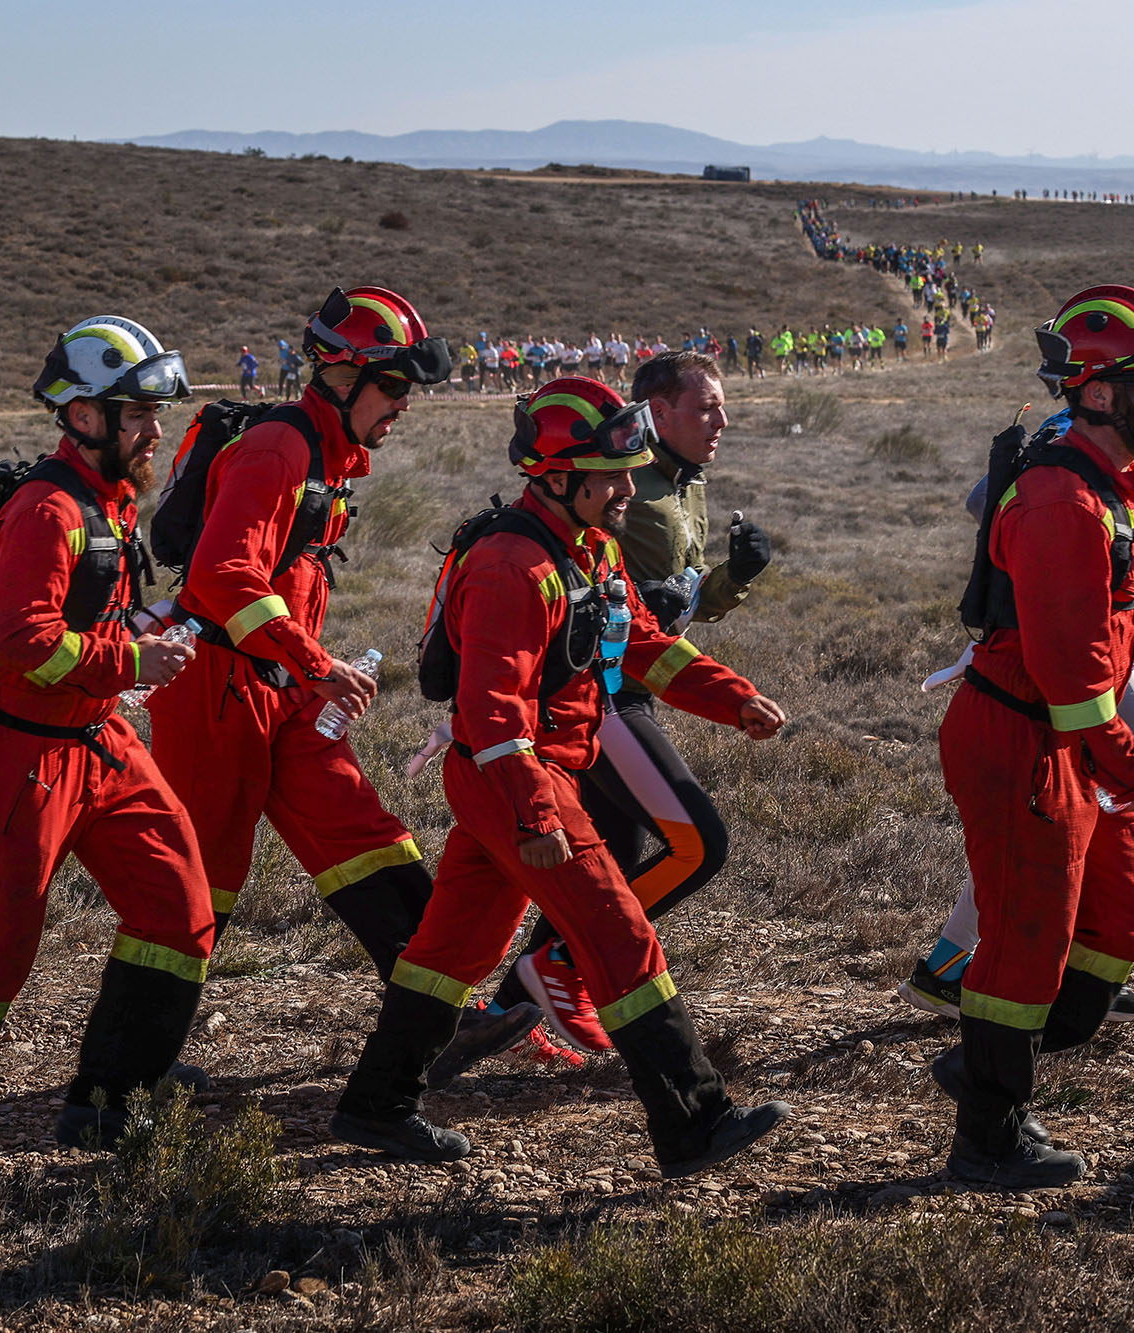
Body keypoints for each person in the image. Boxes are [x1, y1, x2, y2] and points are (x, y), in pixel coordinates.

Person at [329, 376, 791, 1175]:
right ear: (555, 477)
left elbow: (641, 643)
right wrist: (536, 814)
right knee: (619, 932)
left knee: (452, 948)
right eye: (610, 477)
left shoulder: (589, 547)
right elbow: (494, 709)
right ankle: (694, 1119)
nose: (625, 489)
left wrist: (734, 697)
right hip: (520, 781)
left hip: (525, 780)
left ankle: (376, 1103)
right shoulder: (514, 565)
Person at [146, 286, 536, 1078]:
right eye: (393, 387)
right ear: (340, 374)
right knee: (203, 877)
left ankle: (441, 1016)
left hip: (282, 687)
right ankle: (135, 1063)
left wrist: (306, 670)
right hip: (221, 688)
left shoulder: (327, 452)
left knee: (367, 837)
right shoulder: (280, 450)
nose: (403, 406)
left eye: (408, 392)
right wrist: (317, 664)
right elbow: (222, 576)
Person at [0, 315, 218, 1173]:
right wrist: (132, 657)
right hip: (24, 753)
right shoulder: (47, 507)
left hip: (99, 741)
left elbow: (85, 620)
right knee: (0, 941)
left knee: (180, 907)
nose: (155, 429)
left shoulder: (110, 500)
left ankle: (108, 1105)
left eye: (154, 413)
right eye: (137, 413)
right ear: (85, 415)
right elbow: (17, 638)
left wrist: (137, 642)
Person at [901, 295, 1134, 1026]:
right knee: (1100, 824)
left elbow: (1132, 541)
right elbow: (1019, 514)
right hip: (1050, 679)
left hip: (1102, 660)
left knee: (1105, 849)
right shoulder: (1069, 461)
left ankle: (1035, 988)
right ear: (1103, 388)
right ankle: (971, 978)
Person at [928, 286, 1134, 1189]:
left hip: (1074, 739)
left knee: (1121, 909)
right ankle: (988, 1135)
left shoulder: (1113, 481)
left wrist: (1121, 759)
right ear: (1100, 391)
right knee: (1024, 939)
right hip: (1023, 743)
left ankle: (988, 1062)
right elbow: (1073, 682)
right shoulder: (1062, 500)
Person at [478, 351, 774, 1058]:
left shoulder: (681, 486)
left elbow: (660, 617)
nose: (722, 421)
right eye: (706, 407)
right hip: (603, 702)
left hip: (626, 693)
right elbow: (613, 609)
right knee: (697, 844)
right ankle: (563, 967)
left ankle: (509, 1014)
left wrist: (730, 580)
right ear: (659, 411)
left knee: (615, 855)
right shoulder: (618, 487)